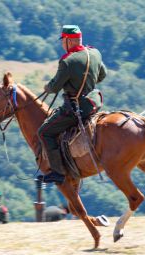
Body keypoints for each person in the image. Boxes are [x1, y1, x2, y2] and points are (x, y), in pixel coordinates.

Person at [38, 25, 107, 184]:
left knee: (44, 132)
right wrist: (86, 83)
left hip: (77, 107)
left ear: (69, 40)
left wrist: (47, 87)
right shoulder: (94, 53)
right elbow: (102, 75)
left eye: (63, 41)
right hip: (94, 102)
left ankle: (57, 172)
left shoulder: (67, 61)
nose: (62, 44)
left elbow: (54, 87)